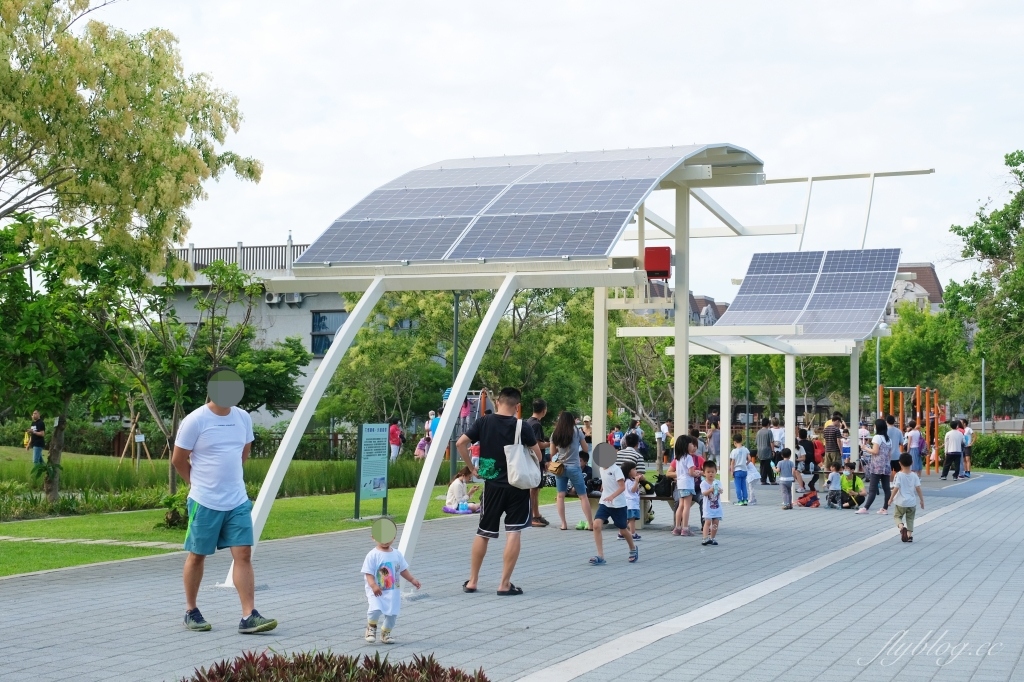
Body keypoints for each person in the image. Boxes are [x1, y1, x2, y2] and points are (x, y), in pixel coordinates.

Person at [171, 373, 277, 634]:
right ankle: (191, 610)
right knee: (198, 555)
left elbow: (244, 451)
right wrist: (196, 484)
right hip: (204, 501)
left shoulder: (242, 417)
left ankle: (248, 615)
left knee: (243, 554)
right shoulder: (195, 420)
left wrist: (230, 480)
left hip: (237, 500)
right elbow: (178, 460)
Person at [456, 387, 540, 596]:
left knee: (483, 532)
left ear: (497, 401)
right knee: (513, 531)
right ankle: (504, 583)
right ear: (517, 406)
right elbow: (537, 454)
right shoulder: (522, 426)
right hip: (518, 487)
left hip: (492, 486)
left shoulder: (484, 422)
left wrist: (472, 467)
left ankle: (473, 581)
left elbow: (461, 443)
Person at [362, 530, 421, 644]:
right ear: (373, 538)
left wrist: (412, 580)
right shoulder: (372, 555)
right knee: (375, 609)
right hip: (377, 591)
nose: (385, 541)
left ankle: (385, 632)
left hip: (393, 591)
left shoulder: (397, 554)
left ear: (394, 537)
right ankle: (371, 628)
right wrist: (373, 585)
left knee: (393, 614)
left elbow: (403, 569)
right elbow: (368, 573)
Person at [550, 410, 594, 531]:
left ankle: (563, 524)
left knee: (560, 496)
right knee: (583, 496)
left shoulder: (555, 433)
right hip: (574, 467)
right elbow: (585, 448)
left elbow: (552, 452)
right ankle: (591, 523)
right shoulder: (577, 431)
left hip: (560, 468)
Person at [589, 460, 638, 565]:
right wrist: (603, 490)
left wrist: (612, 496)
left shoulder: (616, 469)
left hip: (618, 505)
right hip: (605, 503)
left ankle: (633, 548)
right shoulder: (601, 468)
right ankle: (600, 555)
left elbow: (622, 487)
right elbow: (606, 481)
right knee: (596, 525)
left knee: (623, 530)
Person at [856, 418, 892, 515]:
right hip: (886, 466)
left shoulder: (877, 437)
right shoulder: (889, 439)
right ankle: (885, 508)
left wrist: (865, 448)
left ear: (878, 427)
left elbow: (875, 451)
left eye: (875, 426)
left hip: (877, 466)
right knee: (886, 488)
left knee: (872, 488)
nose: (874, 427)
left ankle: (865, 508)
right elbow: (889, 454)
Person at [888, 453, 924, 542]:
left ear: (899, 463)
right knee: (910, 519)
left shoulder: (898, 475)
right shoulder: (915, 475)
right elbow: (918, 488)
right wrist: (921, 500)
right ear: (912, 462)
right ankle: (909, 536)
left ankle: (901, 527)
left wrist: (891, 498)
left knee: (897, 516)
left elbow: (896, 488)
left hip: (900, 502)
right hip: (911, 502)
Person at [526, 398, 550, 528]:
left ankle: (536, 514)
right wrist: (551, 444)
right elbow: (537, 444)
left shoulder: (528, 422)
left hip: (531, 460)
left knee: (535, 489)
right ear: (544, 410)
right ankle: (531, 516)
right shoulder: (536, 425)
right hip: (534, 460)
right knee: (533, 489)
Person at [668, 435, 698, 536]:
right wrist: (696, 473)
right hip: (688, 484)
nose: (692, 446)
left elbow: (680, 472)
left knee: (680, 506)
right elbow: (690, 472)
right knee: (687, 506)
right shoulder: (689, 457)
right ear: (686, 445)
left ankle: (677, 527)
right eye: (691, 444)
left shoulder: (678, 458)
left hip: (680, 484)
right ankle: (685, 528)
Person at [700, 460, 723, 545]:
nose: (711, 474)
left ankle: (712, 538)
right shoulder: (704, 483)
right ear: (704, 473)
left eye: (713, 472)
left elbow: (721, 491)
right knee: (708, 521)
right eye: (708, 472)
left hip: (717, 507)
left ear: (716, 472)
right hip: (707, 507)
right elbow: (704, 493)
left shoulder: (717, 482)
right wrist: (710, 490)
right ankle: (705, 538)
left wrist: (719, 490)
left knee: (716, 522)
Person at [619, 462, 643, 542]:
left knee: (629, 519)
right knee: (632, 519)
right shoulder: (628, 481)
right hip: (631, 503)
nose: (636, 471)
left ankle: (621, 533)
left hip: (632, 503)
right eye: (634, 469)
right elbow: (632, 490)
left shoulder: (630, 480)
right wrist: (636, 482)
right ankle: (632, 533)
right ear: (629, 472)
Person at [794, 428, 817, 493]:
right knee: (818, 471)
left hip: (802, 464)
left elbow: (803, 457)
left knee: (795, 471)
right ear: (806, 435)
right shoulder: (810, 443)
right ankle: (811, 483)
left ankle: (802, 484)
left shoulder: (800, 445)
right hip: (811, 463)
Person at [729, 433, 749, 506]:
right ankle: (745, 500)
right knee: (744, 486)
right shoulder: (745, 449)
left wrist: (732, 471)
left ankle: (740, 500)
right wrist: (746, 463)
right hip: (744, 470)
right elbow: (749, 459)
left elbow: (732, 462)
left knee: (738, 486)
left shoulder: (734, 451)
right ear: (742, 440)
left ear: (734, 442)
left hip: (737, 470)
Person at [755, 418, 776, 484]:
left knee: (762, 466)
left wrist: (757, 451)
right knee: (769, 466)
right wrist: (773, 451)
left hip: (760, 451)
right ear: (768, 424)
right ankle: (771, 480)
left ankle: (763, 479)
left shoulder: (758, 432)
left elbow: (756, 442)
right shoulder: (769, 431)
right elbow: (771, 442)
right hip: (767, 450)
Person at [886, 415, 904, 479]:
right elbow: (902, 443)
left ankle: (890, 484)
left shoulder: (885, 431)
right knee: (898, 471)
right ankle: (896, 483)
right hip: (896, 454)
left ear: (887, 421)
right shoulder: (898, 431)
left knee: (889, 471)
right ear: (894, 422)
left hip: (887, 455)